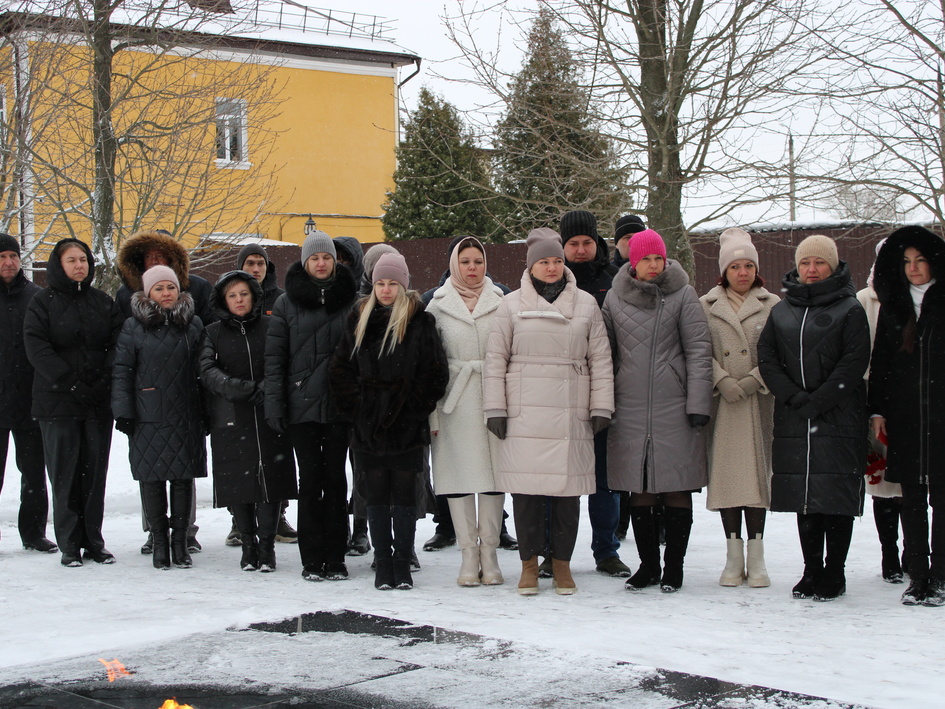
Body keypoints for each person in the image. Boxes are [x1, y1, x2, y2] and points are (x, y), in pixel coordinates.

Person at [483, 228, 614, 596]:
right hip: (524, 410)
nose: (552, 267)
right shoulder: (510, 305)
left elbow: (600, 359)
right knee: (526, 494)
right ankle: (528, 564)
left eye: (557, 260)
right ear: (531, 266)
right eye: (544, 261)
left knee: (566, 495)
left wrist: (601, 405)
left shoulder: (585, 303)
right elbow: (495, 360)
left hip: (570, 409)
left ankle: (561, 565)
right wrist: (495, 407)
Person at [758, 235, 869, 601]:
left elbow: (854, 361)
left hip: (839, 416)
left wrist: (820, 400)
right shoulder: (782, 310)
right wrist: (792, 396)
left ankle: (835, 572)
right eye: (805, 262)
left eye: (819, 262)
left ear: (833, 266)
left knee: (834, 495)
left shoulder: (850, 308)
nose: (811, 269)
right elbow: (767, 357)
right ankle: (811, 570)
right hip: (795, 417)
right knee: (804, 494)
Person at [330, 252, 449, 590]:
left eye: (392, 283)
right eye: (380, 283)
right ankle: (383, 562)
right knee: (377, 496)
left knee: (405, 495)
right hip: (368, 426)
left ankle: (403, 560)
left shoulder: (420, 321)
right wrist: (360, 407)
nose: (385, 290)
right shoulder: (359, 318)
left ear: (403, 286)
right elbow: (340, 370)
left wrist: (411, 408)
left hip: (407, 425)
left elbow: (435, 373)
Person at [603, 228, 712, 593]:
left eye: (658, 258)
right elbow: (605, 355)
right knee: (640, 489)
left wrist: (698, 403)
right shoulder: (615, 298)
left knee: (677, 486)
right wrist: (604, 402)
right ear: (633, 262)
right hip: (629, 407)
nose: (653, 265)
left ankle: (674, 567)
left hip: (675, 407)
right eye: (645, 259)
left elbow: (699, 351)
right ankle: (648, 566)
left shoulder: (683, 294)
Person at [265, 230, 358, 581]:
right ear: (305, 262)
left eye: (327, 257)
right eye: (315, 258)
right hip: (300, 407)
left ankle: (336, 557)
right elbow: (275, 360)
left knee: (335, 480)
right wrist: (275, 405)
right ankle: (311, 558)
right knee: (309, 480)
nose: (321, 263)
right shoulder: (286, 303)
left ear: (335, 261)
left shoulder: (351, 299)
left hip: (339, 406)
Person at [24, 238, 123, 567]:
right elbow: (37, 348)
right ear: (58, 264)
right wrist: (70, 382)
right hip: (57, 402)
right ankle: (69, 544)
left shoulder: (102, 301)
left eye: (83, 259)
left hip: (96, 401)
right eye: (72, 260)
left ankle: (93, 541)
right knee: (64, 475)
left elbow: (117, 343)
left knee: (94, 475)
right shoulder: (41, 303)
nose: (79, 265)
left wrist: (103, 380)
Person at [421, 235, 516, 554]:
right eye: (465, 262)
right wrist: (433, 412)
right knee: (456, 472)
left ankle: (491, 547)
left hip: (495, 397)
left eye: (478, 261)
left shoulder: (503, 300)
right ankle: (466, 551)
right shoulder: (436, 303)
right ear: (453, 265)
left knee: (495, 472)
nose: (472, 267)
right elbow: (428, 362)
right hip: (454, 401)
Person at [116, 229, 209, 555]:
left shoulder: (193, 324)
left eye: (171, 286)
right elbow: (122, 372)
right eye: (159, 288)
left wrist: (207, 412)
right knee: (151, 478)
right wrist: (124, 411)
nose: (166, 293)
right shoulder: (132, 326)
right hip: (148, 415)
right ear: (147, 292)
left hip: (185, 413)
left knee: (183, 479)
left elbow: (204, 370)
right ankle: (157, 540)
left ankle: (181, 540)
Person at [199, 270, 297, 572]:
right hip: (232, 417)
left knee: (270, 483)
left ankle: (267, 547)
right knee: (239, 484)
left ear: (254, 296)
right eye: (232, 295)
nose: (239, 300)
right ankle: (248, 545)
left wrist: (267, 388)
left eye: (244, 293)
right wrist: (242, 389)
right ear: (223, 300)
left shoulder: (271, 326)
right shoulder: (212, 333)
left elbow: (283, 362)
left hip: (269, 415)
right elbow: (207, 371)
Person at [869, 226, 945, 606]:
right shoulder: (894, 306)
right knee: (911, 499)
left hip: (942, 416)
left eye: (920, 260)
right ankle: (918, 576)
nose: (913, 268)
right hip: (906, 415)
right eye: (906, 262)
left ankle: (941, 576)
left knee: (941, 500)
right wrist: (878, 409)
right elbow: (881, 362)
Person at [700, 228, 777, 587]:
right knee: (729, 480)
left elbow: (781, 352)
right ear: (724, 271)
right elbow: (697, 350)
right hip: (724, 405)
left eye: (748, 266)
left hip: (758, 401)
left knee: (757, 480)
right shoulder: (705, 305)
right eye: (735, 267)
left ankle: (756, 559)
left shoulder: (773, 304)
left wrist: (755, 379)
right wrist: (720, 379)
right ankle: (733, 558)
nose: (742, 272)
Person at [559, 210, 631, 579]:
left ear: (597, 243)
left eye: (587, 242)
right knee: (560, 479)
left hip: (605, 392)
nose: (580, 249)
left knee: (605, 480)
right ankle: (555, 553)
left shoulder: (615, 281)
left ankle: (606, 550)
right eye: (573, 243)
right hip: (560, 395)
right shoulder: (551, 281)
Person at [232, 243, 297, 547]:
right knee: (241, 460)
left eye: (260, 263)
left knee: (276, 460)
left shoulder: (281, 299)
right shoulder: (230, 295)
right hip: (239, 393)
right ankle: (239, 521)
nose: (255, 268)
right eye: (249, 263)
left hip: (273, 390)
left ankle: (278, 517)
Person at [0, 234, 56, 553]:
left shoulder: (37, 297)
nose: (9, 262)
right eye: (2, 256)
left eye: (13, 256)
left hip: (30, 400)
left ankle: (34, 533)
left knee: (34, 473)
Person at [856, 238, 906, 584]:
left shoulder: (917, 297)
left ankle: (914, 551)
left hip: (911, 401)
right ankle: (889, 552)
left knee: (913, 482)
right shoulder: (864, 300)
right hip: (875, 400)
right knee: (883, 481)